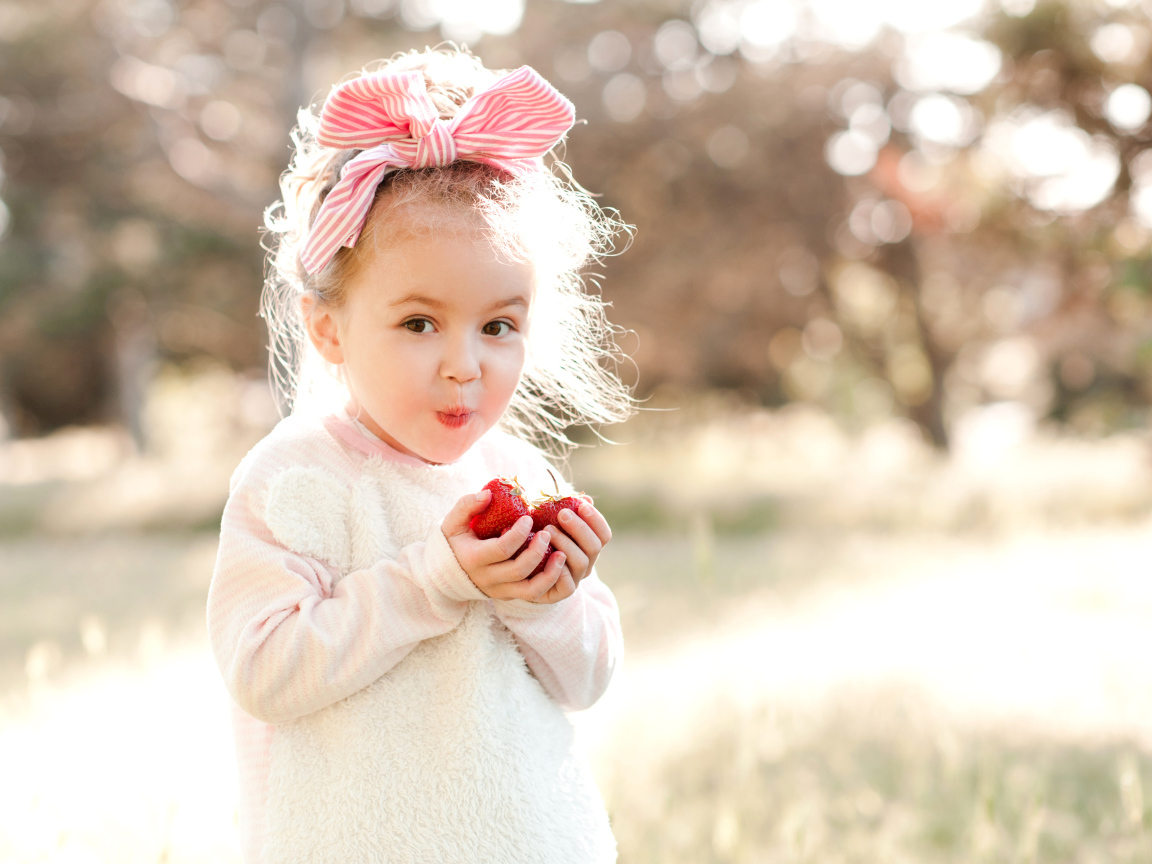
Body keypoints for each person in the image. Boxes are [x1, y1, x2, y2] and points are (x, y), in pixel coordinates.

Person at [206, 46, 635, 864]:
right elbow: (262, 671)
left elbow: (586, 680)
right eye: (418, 323)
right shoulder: (297, 479)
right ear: (328, 327)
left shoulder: (521, 478)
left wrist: (549, 600)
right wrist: (433, 581)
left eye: (498, 325)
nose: (464, 365)